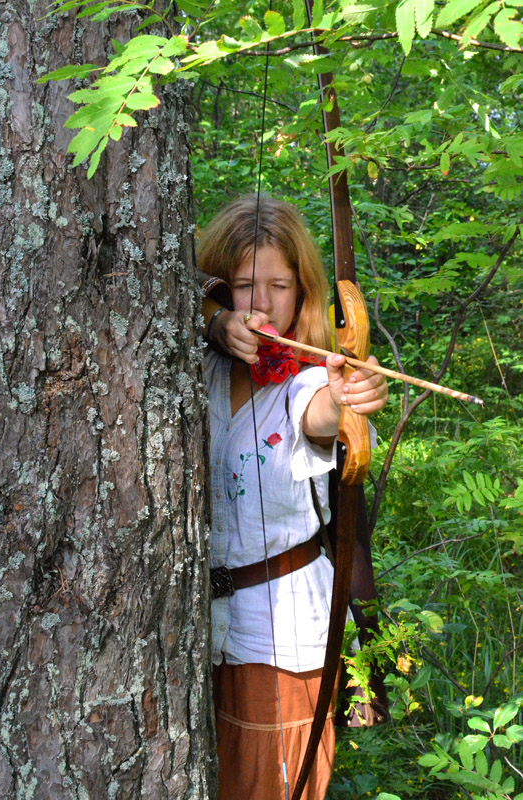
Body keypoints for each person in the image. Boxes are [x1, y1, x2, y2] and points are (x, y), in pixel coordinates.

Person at [198, 195, 388, 800]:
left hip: (281, 634)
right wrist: (212, 324)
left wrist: (347, 396)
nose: (262, 303)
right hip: (195, 631)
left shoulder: (305, 379)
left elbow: (321, 413)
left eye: (279, 286)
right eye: (245, 285)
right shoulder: (196, 365)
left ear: (302, 293)